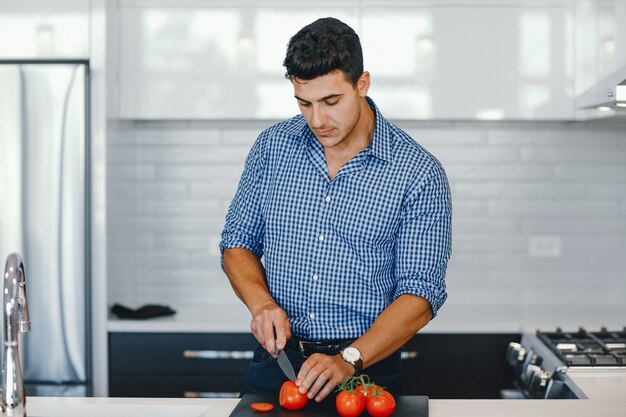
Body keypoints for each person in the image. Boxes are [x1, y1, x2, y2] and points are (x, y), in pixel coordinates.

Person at [220, 17, 451, 403]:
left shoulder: (418, 173)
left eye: (331, 101)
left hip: (366, 369)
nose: (317, 120)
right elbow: (237, 243)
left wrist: (349, 358)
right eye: (304, 103)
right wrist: (261, 304)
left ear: (362, 83)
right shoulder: (272, 147)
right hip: (279, 362)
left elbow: (421, 293)